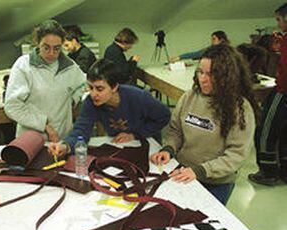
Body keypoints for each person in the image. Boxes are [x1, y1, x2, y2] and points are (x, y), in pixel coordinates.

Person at [151, 44, 258, 205]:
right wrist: (169, 149)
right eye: (200, 72)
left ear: (226, 76)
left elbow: (236, 155)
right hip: (182, 172)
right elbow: (176, 131)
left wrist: (200, 171)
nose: (203, 79)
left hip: (215, 182)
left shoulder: (240, 108)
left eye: (211, 74)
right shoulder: (190, 97)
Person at [48, 59, 171, 157]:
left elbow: (165, 115)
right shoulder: (91, 102)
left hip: (148, 145)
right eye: (90, 88)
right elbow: (81, 130)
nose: (93, 94)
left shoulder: (138, 97)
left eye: (99, 89)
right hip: (119, 146)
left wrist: (136, 135)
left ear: (114, 87)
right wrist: (66, 146)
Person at [4, 19, 86, 142]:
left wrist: (73, 100)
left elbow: (83, 83)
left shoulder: (69, 66)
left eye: (57, 48)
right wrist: (44, 124)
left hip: (61, 138)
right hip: (31, 139)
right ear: (37, 43)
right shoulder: (24, 66)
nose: (51, 53)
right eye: (46, 48)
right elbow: (12, 106)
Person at [248, 3, 287, 185]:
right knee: (284, 133)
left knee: (265, 130)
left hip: (283, 92)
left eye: (279, 19)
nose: (278, 24)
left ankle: (268, 172)